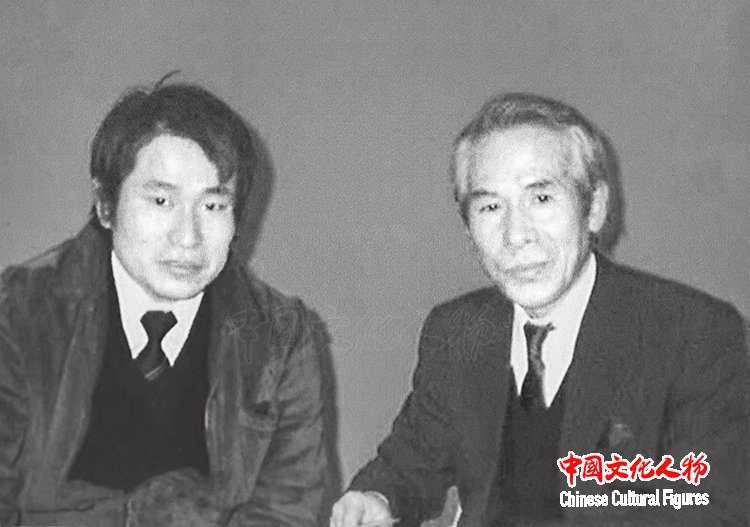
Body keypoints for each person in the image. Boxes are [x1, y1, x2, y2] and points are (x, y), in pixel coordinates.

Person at [331, 93, 748, 526]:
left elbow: (711, 510)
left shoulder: (694, 334)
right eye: (491, 207)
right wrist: (377, 497)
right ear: (469, 230)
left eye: (542, 198)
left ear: (594, 208)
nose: (516, 235)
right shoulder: (455, 331)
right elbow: (410, 461)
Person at [0, 80, 328, 526]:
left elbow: (284, 511)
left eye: (212, 206)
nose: (188, 237)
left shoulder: (281, 340)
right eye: (161, 200)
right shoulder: (19, 312)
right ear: (106, 205)